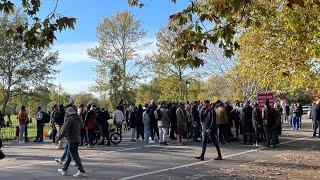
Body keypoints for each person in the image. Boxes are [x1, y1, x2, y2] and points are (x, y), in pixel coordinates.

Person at [57, 106, 86, 177]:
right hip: (76, 138)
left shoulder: (70, 119)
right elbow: (82, 126)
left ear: (68, 112)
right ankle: (64, 169)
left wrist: (59, 137)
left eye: (66, 112)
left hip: (72, 138)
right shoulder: (78, 118)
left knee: (74, 155)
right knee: (69, 155)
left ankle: (81, 170)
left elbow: (65, 129)